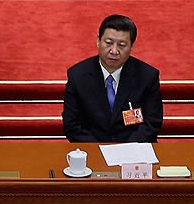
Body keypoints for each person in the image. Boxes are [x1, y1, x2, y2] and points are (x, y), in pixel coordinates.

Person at [63, 14, 163, 143]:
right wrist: (99, 150)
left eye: (122, 45)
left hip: (134, 151)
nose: (114, 51)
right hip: (91, 151)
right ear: (98, 41)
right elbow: (72, 125)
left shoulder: (147, 76)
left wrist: (125, 150)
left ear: (131, 47)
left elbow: (152, 123)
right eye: (108, 43)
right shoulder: (78, 76)